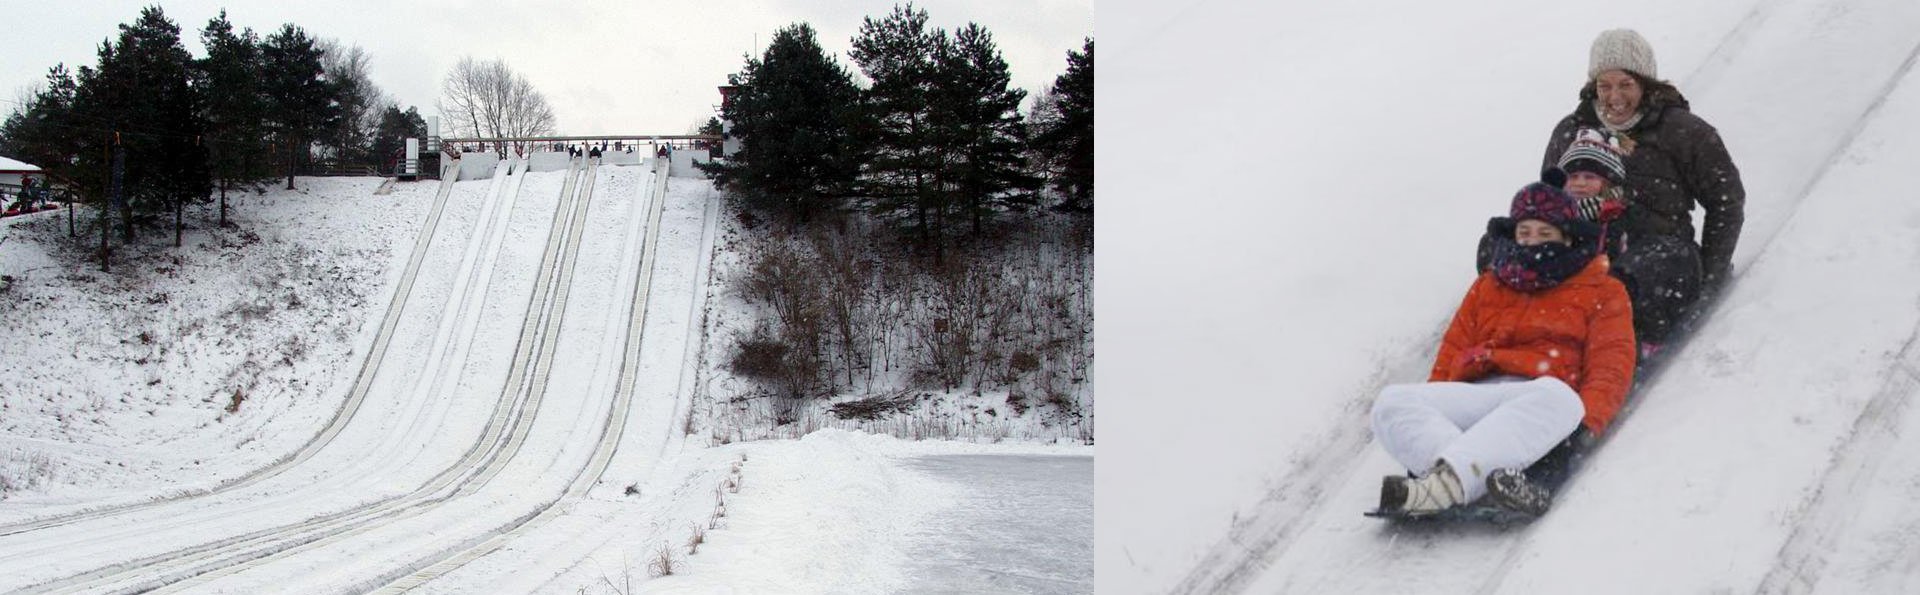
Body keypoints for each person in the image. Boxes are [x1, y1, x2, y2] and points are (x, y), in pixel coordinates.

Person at [1373, 178, 1637, 516]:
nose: (1532, 242)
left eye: (1545, 234)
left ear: (1567, 237)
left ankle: (1441, 485)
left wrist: (1583, 432)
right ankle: (1466, 478)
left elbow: (1610, 367)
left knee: (1560, 398)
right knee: (1392, 401)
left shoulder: (1603, 290)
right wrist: (1438, 402)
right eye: (1524, 233)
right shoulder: (1488, 285)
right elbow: (1452, 350)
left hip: (1538, 404)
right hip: (1478, 396)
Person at [1544, 28, 1745, 356]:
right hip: (1590, 248)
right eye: (1604, 86)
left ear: (1645, 84)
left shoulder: (1681, 130)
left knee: (1625, 280)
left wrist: (1710, 276)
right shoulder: (1572, 130)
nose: (1615, 96)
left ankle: (1615, 349)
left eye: (1625, 84)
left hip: (1663, 253)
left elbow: (1727, 201)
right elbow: (1547, 197)